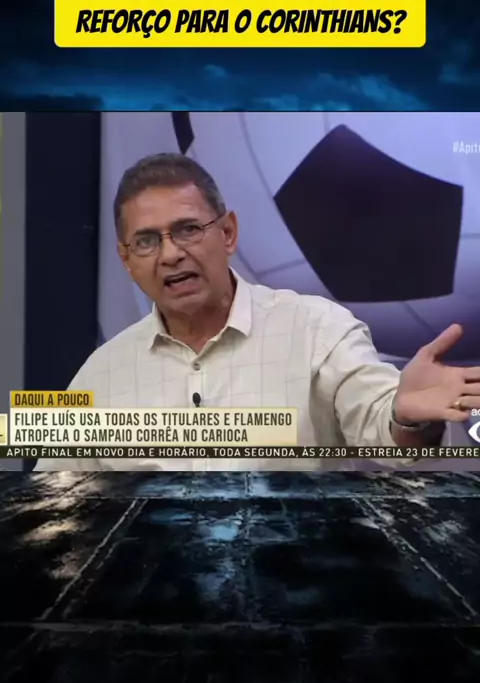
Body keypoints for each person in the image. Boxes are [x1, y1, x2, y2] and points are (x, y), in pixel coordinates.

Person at [34, 153, 480, 472]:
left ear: (228, 233)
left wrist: (408, 417)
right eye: (147, 241)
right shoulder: (101, 373)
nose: (170, 254)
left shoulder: (317, 330)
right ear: (127, 259)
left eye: (188, 229)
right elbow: (52, 499)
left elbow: (387, 435)